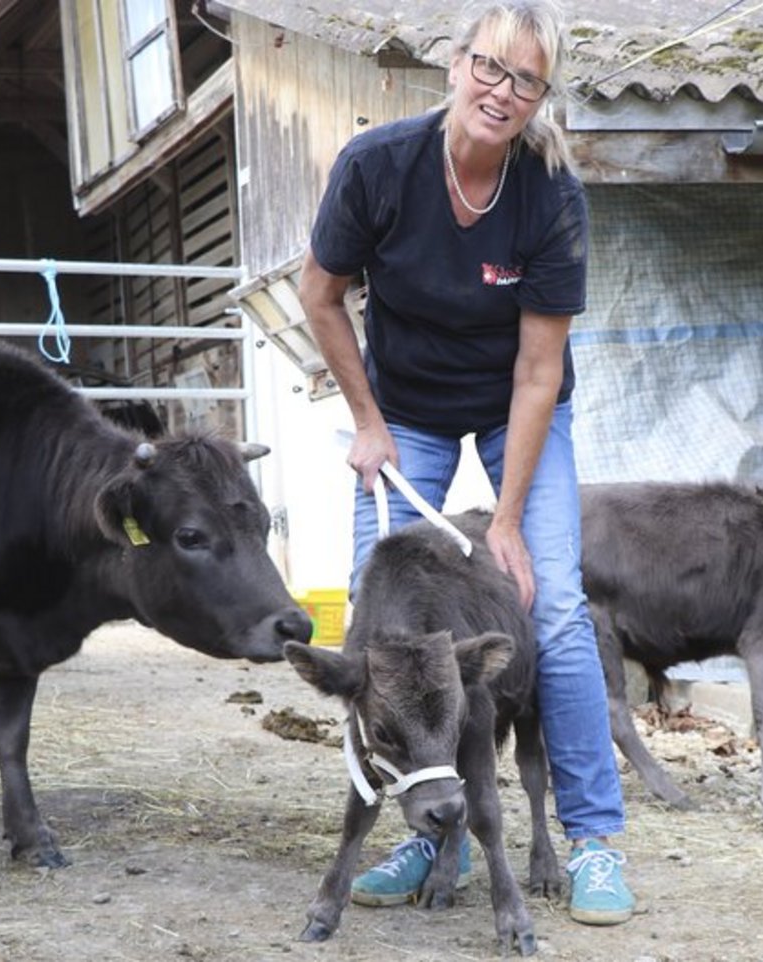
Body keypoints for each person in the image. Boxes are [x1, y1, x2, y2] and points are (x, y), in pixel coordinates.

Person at [298, 0, 634, 927]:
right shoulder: (377, 167)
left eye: (525, 79)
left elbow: (539, 372)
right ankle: (423, 824)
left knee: (552, 608)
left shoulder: (550, 194)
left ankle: (593, 839)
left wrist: (509, 522)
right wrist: (367, 422)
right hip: (403, 409)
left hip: (516, 407)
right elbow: (320, 295)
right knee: (382, 627)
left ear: (540, 97)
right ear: (454, 64)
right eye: (489, 66)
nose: (501, 90)